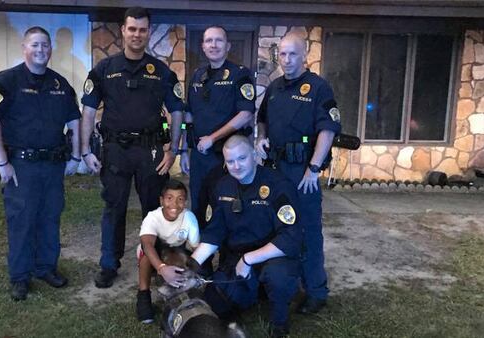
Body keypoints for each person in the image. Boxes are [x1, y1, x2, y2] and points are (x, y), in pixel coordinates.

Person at [80, 7, 184, 288]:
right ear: (123, 31)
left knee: (154, 211)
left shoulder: (161, 71)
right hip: (115, 151)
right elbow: (88, 111)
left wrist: (173, 150)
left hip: (151, 152)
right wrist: (86, 151)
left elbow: (177, 112)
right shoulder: (104, 70)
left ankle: (156, 263)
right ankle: (109, 265)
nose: (137, 34)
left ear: (149, 33)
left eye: (142, 29)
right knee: (114, 208)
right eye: (132, 29)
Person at [0, 26, 81, 301]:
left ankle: (46, 268)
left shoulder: (60, 84)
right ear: (24, 47)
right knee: (22, 221)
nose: (40, 50)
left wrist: (75, 155)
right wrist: (2, 162)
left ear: (51, 50)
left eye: (45, 46)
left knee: (50, 217)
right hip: (20, 166)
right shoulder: (7, 80)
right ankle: (20, 277)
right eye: (35, 45)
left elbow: (74, 120)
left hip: (53, 166)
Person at [168, 135, 302, 338]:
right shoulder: (223, 187)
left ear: (254, 155)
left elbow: (291, 238)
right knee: (215, 302)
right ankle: (248, 296)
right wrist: (192, 266)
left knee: (278, 277)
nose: (236, 166)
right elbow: (215, 232)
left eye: (242, 158)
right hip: (237, 258)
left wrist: (248, 260)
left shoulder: (278, 184)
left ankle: (279, 325)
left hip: (273, 256)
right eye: (230, 161)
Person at [255, 32, 341, 314]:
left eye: (293, 54)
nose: (287, 59)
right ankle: (281, 285)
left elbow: (327, 130)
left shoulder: (318, 88)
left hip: (303, 172)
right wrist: (261, 139)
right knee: (277, 228)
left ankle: (316, 291)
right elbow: (263, 120)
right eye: (282, 54)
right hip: (276, 171)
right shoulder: (275, 87)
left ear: (304, 55)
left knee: (307, 232)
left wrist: (314, 169)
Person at [180, 25, 255, 232]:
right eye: (209, 41)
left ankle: (228, 260)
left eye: (218, 40)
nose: (214, 45)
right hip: (199, 156)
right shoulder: (197, 76)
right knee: (198, 205)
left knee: (227, 206)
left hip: (226, 157)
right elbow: (189, 116)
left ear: (227, 45)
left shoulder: (240, 75)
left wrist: (213, 138)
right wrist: (184, 150)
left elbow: (246, 113)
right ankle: (201, 261)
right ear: (203, 46)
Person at [135, 179, 199, 324]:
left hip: (177, 251)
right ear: (161, 201)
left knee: (188, 260)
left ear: (186, 202)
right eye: (169, 198)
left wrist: (194, 271)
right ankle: (143, 296)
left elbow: (195, 248)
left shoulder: (189, 217)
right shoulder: (152, 217)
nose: (175, 205)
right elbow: (147, 244)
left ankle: (185, 293)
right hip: (154, 251)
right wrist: (161, 268)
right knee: (146, 257)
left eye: (180, 199)